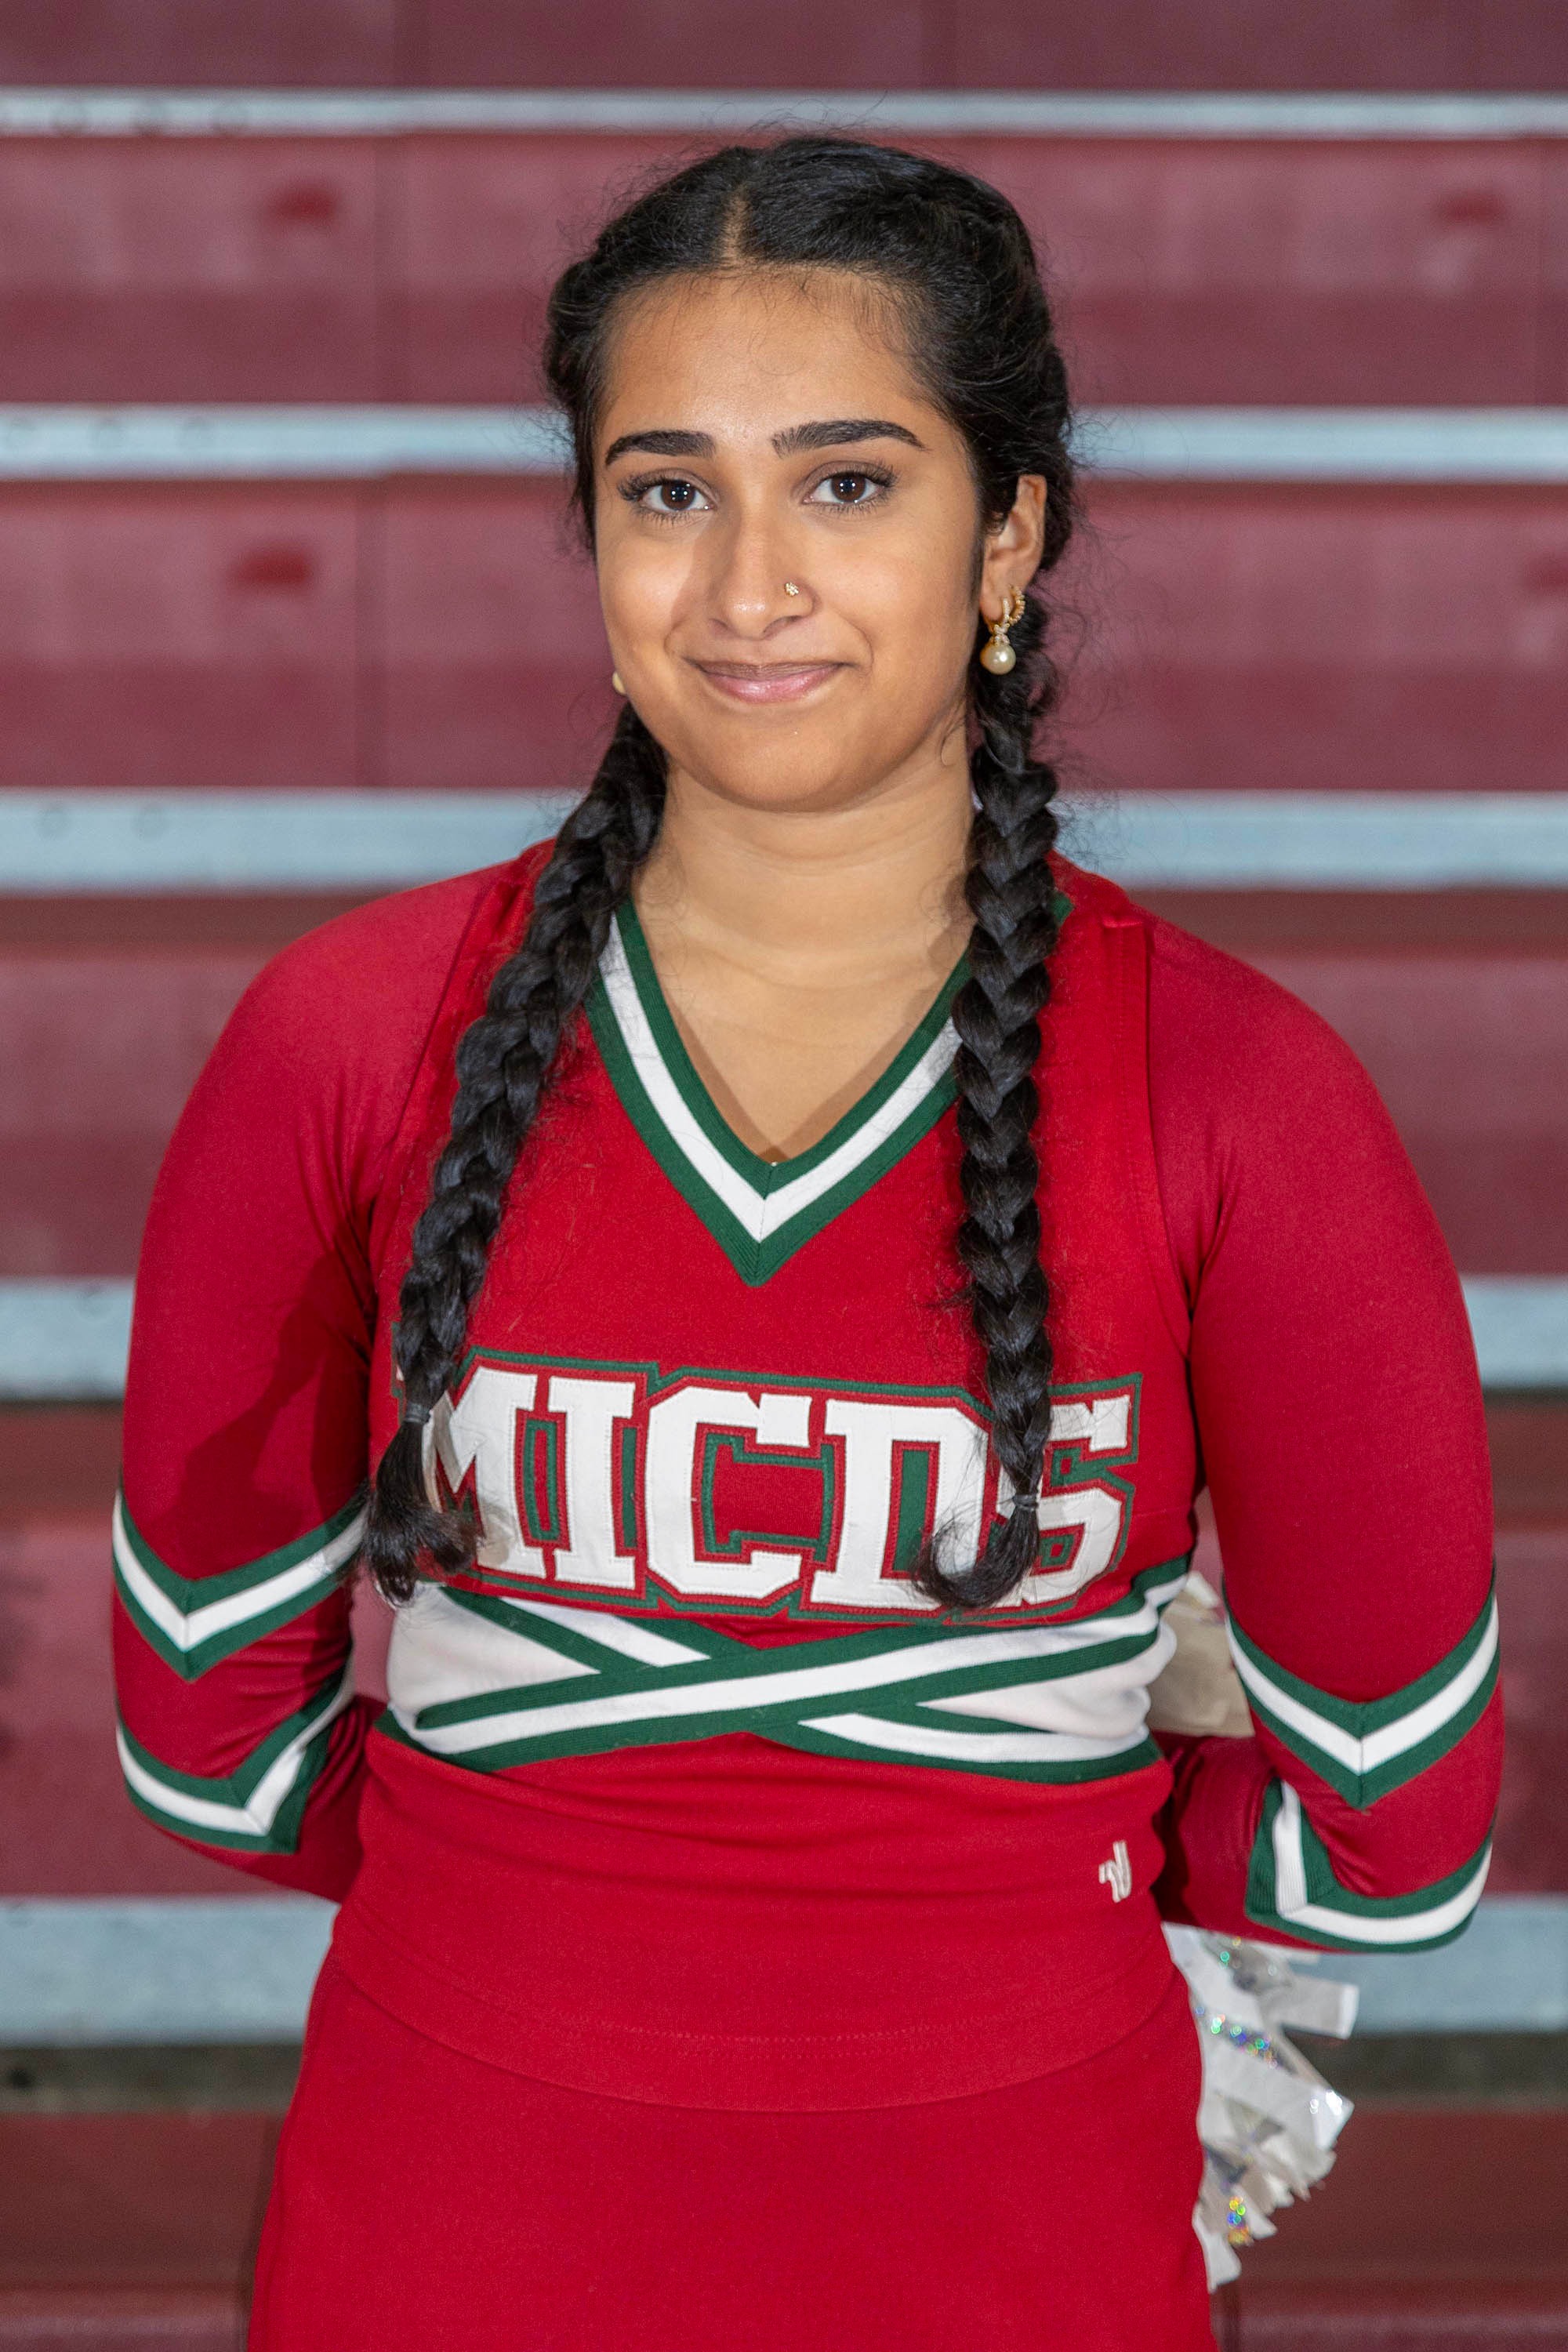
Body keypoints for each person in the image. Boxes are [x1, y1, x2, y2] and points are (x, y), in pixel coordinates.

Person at [111, 137, 1501, 2351]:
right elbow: (201, 1726)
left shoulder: (1243, 1097)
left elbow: (1407, 1817)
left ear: (1009, 532)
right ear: (589, 533)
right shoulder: (347, 1042)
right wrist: (997, 1853)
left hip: (1008, 2241)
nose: (749, 584)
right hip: (454, 2228)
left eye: (848, 483)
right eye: (668, 491)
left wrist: (577, 1878)